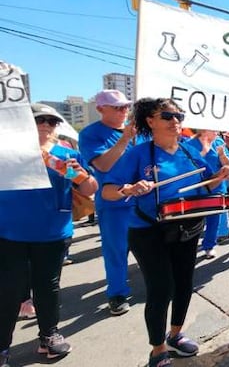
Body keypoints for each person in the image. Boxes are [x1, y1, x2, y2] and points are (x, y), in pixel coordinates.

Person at [102, 98, 229, 367]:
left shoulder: (190, 153)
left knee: (184, 284)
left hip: (187, 227)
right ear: (150, 121)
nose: (175, 120)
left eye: (179, 116)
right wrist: (129, 189)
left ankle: (175, 335)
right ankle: (157, 349)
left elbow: (206, 186)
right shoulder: (139, 154)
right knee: (161, 289)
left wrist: (222, 175)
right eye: (167, 116)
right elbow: (107, 191)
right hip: (148, 230)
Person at [1, 104, 98, 365]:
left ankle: (49, 336)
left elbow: (90, 188)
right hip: (10, 233)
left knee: (48, 287)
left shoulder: (64, 155)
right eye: (39, 120)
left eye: (51, 121)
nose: (45, 124)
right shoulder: (7, 154)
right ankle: (2, 347)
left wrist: (78, 173)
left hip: (52, 233)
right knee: (8, 291)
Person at [78, 89, 136, 316]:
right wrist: (124, 140)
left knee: (150, 247)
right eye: (118, 107)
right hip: (114, 202)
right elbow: (103, 165)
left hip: (142, 201)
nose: (124, 111)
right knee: (116, 251)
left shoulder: (138, 132)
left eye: (126, 106)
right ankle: (117, 293)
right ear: (100, 108)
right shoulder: (91, 134)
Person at [186, 129, 229, 259]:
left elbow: (227, 165)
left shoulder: (219, 142)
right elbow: (187, 164)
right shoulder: (190, 143)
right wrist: (204, 151)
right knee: (194, 220)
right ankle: (189, 247)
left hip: (217, 186)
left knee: (214, 219)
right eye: (212, 129)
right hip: (196, 187)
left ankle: (209, 246)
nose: (216, 132)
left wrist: (222, 155)